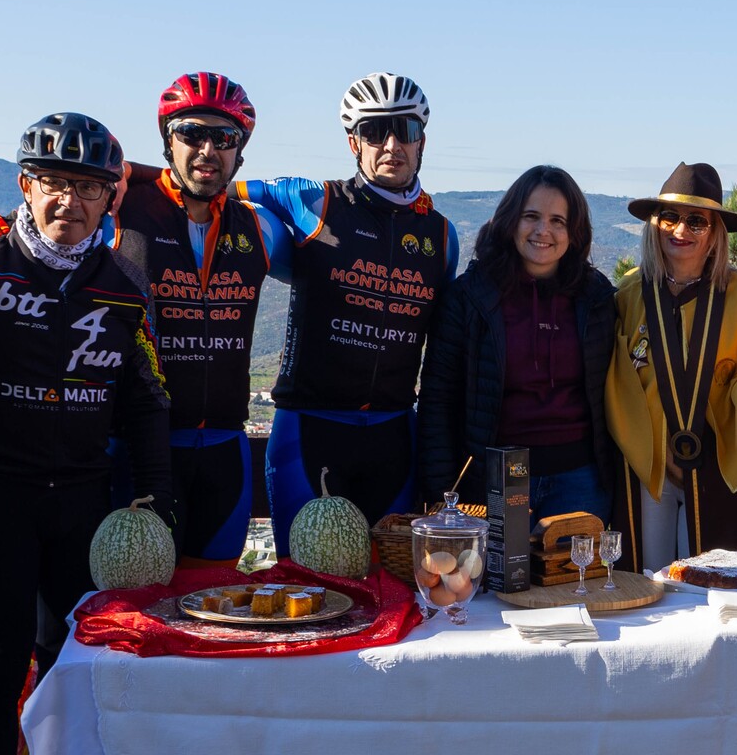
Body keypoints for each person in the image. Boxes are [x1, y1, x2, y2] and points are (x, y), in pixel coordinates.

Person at [0, 114, 170, 755]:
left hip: (81, 496)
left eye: (89, 188)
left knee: (70, 661)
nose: (70, 201)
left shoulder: (123, 283)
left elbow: (145, 396)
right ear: (24, 187)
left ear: (110, 200)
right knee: (0, 664)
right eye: (55, 183)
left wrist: (157, 495)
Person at [235, 73, 456, 531]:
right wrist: (122, 180)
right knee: (308, 587)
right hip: (309, 428)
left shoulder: (443, 235)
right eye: (375, 131)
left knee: (391, 588)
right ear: (354, 142)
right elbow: (201, 186)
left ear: (422, 142)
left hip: (395, 435)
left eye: (406, 131)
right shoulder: (313, 201)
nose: (392, 144)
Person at [108, 74, 288, 561]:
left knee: (218, 601)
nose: (208, 149)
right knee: (139, 596)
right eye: (191, 133)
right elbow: (58, 203)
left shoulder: (260, 226)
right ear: (169, 140)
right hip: (140, 447)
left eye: (224, 138)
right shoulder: (121, 211)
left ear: (240, 152)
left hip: (227, 449)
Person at [607, 162, 737, 567]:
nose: (680, 231)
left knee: (712, 593)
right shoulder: (629, 294)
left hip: (719, 469)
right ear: (653, 223)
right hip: (648, 469)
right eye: (670, 217)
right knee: (648, 583)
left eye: (696, 222)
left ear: (716, 232)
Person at [419, 165, 617, 517]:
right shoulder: (470, 298)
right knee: (496, 575)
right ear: (510, 220)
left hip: (579, 480)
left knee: (580, 575)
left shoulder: (597, 297)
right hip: (493, 480)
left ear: (574, 230)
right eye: (531, 216)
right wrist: (442, 490)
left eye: (558, 220)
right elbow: (437, 399)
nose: (544, 230)